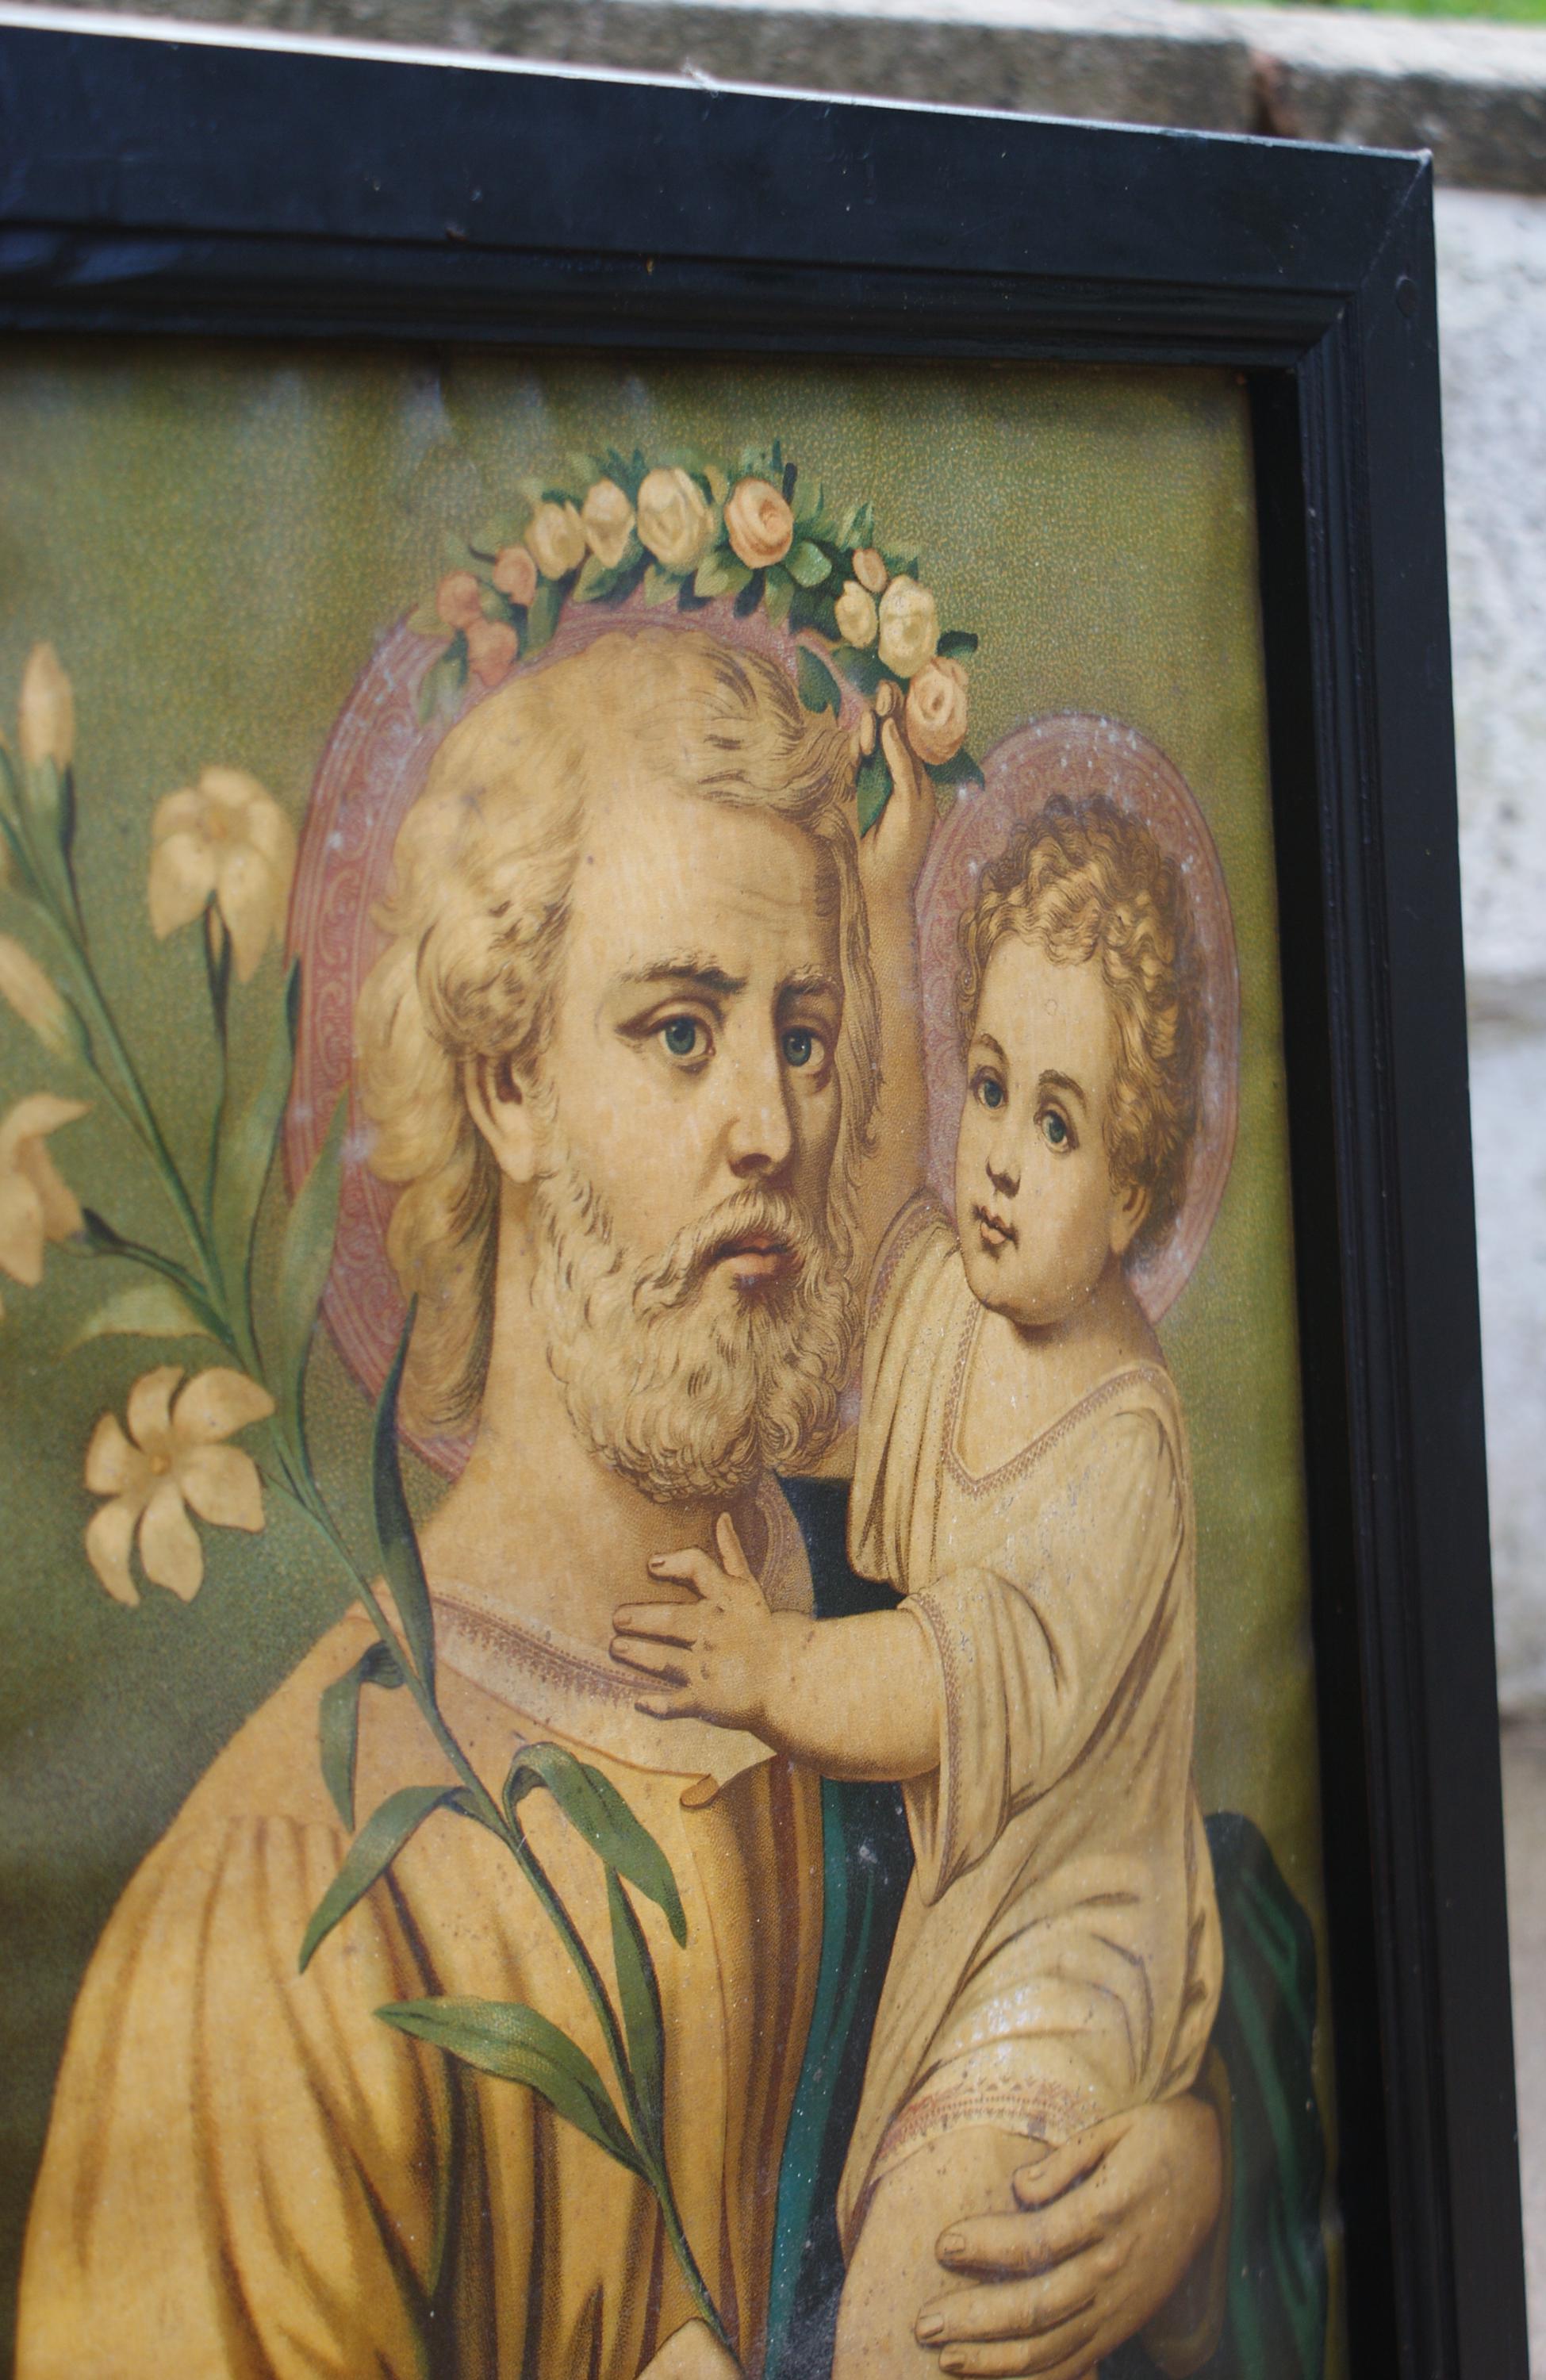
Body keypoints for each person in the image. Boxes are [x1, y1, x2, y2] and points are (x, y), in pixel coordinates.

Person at [16, 628, 1224, 2380]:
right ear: (506, 1081)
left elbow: (1139, 1898)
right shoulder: (279, 1908)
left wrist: (1174, 2178)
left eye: (804, 1038)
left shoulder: (882, 1622)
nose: (770, 1130)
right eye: (679, 1032)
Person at [615, 769, 1221, 2378]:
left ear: (1135, 1191)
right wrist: (882, 902)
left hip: (1065, 1970)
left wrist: (768, 1671)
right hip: (967, 1936)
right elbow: (881, 1185)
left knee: (921, 2311)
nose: (1000, 1159)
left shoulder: (1123, 1446)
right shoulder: (962, 1298)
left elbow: (948, 1679)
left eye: (1059, 1125)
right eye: (993, 1087)